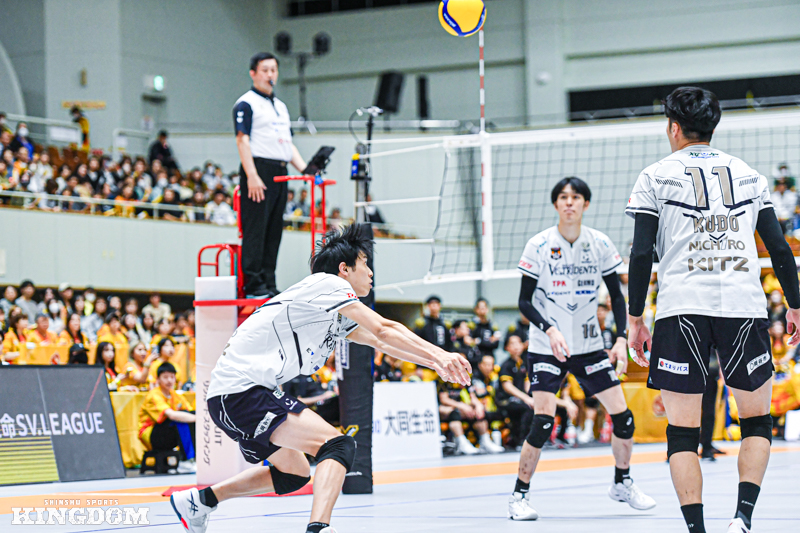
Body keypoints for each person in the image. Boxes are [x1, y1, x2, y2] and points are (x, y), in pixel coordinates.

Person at [169, 224, 471, 533]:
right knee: (338, 445)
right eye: (364, 263)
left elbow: (380, 342)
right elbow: (383, 329)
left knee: (294, 474)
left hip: (230, 399)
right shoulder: (328, 284)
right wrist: (441, 354)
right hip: (242, 392)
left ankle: (199, 501)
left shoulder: (328, 308)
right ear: (344, 269)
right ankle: (318, 528)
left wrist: (434, 363)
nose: (370, 272)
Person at [625, 86, 800, 533]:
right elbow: (780, 249)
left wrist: (635, 318)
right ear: (713, 126)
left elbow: (641, 254)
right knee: (757, 421)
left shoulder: (654, 176)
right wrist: (795, 305)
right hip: (743, 305)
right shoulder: (748, 175)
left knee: (682, 434)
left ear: (673, 127)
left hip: (680, 308)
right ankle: (742, 518)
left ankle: (696, 530)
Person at [509, 176, 656, 521]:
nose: (569, 203)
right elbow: (524, 301)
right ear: (556, 204)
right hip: (547, 346)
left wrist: (620, 338)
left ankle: (622, 482)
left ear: (585, 204)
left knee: (624, 418)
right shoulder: (538, 245)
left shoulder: (600, 243)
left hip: (589, 345)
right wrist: (549, 329)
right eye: (563, 197)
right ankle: (519, 496)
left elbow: (617, 296)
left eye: (575, 197)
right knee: (543, 421)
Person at [234, 52, 308, 299]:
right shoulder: (246, 103)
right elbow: (242, 140)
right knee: (256, 228)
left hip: (280, 170)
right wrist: (252, 175)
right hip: (259, 168)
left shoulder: (281, 107)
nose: (270, 75)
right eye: (265, 70)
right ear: (253, 73)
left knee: (274, 229)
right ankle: (253, 284)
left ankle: (268, 280)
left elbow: (287, 144)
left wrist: (305, 170)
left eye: (273, 70)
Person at [138, 362, 196, 474]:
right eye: (165, 377)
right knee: (180, 420)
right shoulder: (154, 395)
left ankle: (195, 459)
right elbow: (171, 415)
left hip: (168, 433)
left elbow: (190, 412)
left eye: (172, 377)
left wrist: (196, 416)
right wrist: (197, 418)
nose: (169, 380)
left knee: (189, 416)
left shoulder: (176, 395)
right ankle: (185, 461)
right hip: (151, 436)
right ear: (158, 379)